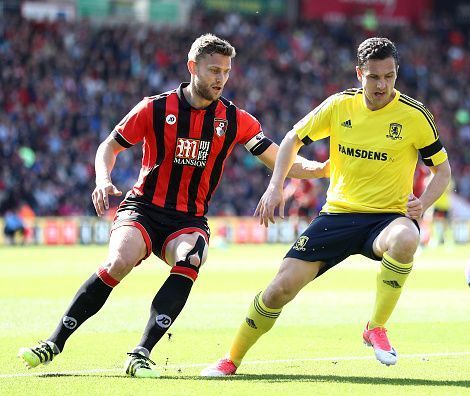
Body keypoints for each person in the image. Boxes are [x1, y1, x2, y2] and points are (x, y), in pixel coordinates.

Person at [17, 34, 328, 378]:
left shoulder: (235, 119)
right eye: (213, 70)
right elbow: (109, 146)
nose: (220, 78)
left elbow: (283, 161)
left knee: (192, 256)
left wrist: (325, 168)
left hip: (188, 219)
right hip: (143, 208)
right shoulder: (155, 107)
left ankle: (141, 352)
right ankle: (54, 342)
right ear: (192, 67)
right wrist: (102, 179)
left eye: (226, 71)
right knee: (119, 261)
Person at [201, 37, 451, 376]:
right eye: (374, 77)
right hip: (337, 215)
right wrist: (275, 186)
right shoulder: (338, 106)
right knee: (279, 290)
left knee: (407, 238)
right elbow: (291, 139)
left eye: (390, 77)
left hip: (386, 218)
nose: (383, 85)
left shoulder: (415, 116)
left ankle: (375, 327)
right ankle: (231, 359)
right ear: (359, 73)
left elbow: (442, 170)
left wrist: (423, 202)